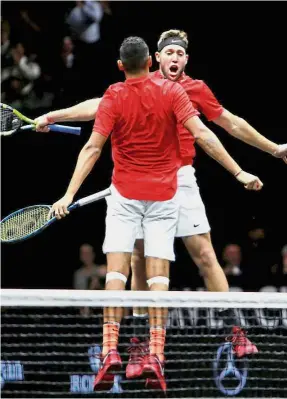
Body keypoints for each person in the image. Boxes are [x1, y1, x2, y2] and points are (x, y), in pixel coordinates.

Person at [34, 28, 286, 380]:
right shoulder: (141, 84)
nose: (175, 58)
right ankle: (140, 347)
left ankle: (235, 332)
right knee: (138, 263)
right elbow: (97, 107)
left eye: (180, 54)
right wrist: (54, 115)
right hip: (143, 184)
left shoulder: (194, 90)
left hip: (180, 180)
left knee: (203, 255)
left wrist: (274, 149)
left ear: (186, 59)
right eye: (168, 52)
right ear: (155, 58)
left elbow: (229, 124)